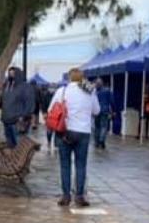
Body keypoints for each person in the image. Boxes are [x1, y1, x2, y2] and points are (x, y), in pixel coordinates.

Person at [49, 68, 101, 207]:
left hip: (65, 131)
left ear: (69, 78)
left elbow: (51, 110)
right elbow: (97, 111)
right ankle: (79, 196)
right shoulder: (90, 91)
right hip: (83, 132)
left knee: (65, 165)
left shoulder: (62, 91)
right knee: (81, 164)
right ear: (82, 78)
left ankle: (66, 196)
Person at [0, 67, 34, 148]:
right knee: (10, 146)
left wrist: (23, 116)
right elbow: (2, 102)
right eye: (9, 73)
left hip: (18, 122)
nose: (11, 75)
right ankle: (11, 160)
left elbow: (30, 104)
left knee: (20, 147)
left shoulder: (25, 87)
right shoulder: (6, 87)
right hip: (6, 120)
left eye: (13, 73)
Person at [93, 79, 114, 150]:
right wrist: (113, 110)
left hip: (96, 111)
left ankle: (96, 142)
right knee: (104, 126)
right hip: (105, 111)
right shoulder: (107, 91)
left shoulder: (94, 92)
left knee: (97, 127)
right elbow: (112, 101)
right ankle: (101, 140)